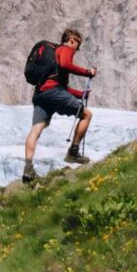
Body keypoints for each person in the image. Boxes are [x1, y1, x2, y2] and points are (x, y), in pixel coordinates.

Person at [23, 28, 97, 182]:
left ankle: (28, 169)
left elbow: (62, 86)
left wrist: (81, 94)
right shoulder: (65, 49)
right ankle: (73, 152)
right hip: (53, 93)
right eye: (77, 45)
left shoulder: (52, 57)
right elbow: (65, 64)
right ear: (72, 41)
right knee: (86, 115)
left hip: (40, 95)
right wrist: (87, 72)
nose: (77, 49)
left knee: (35, 131)